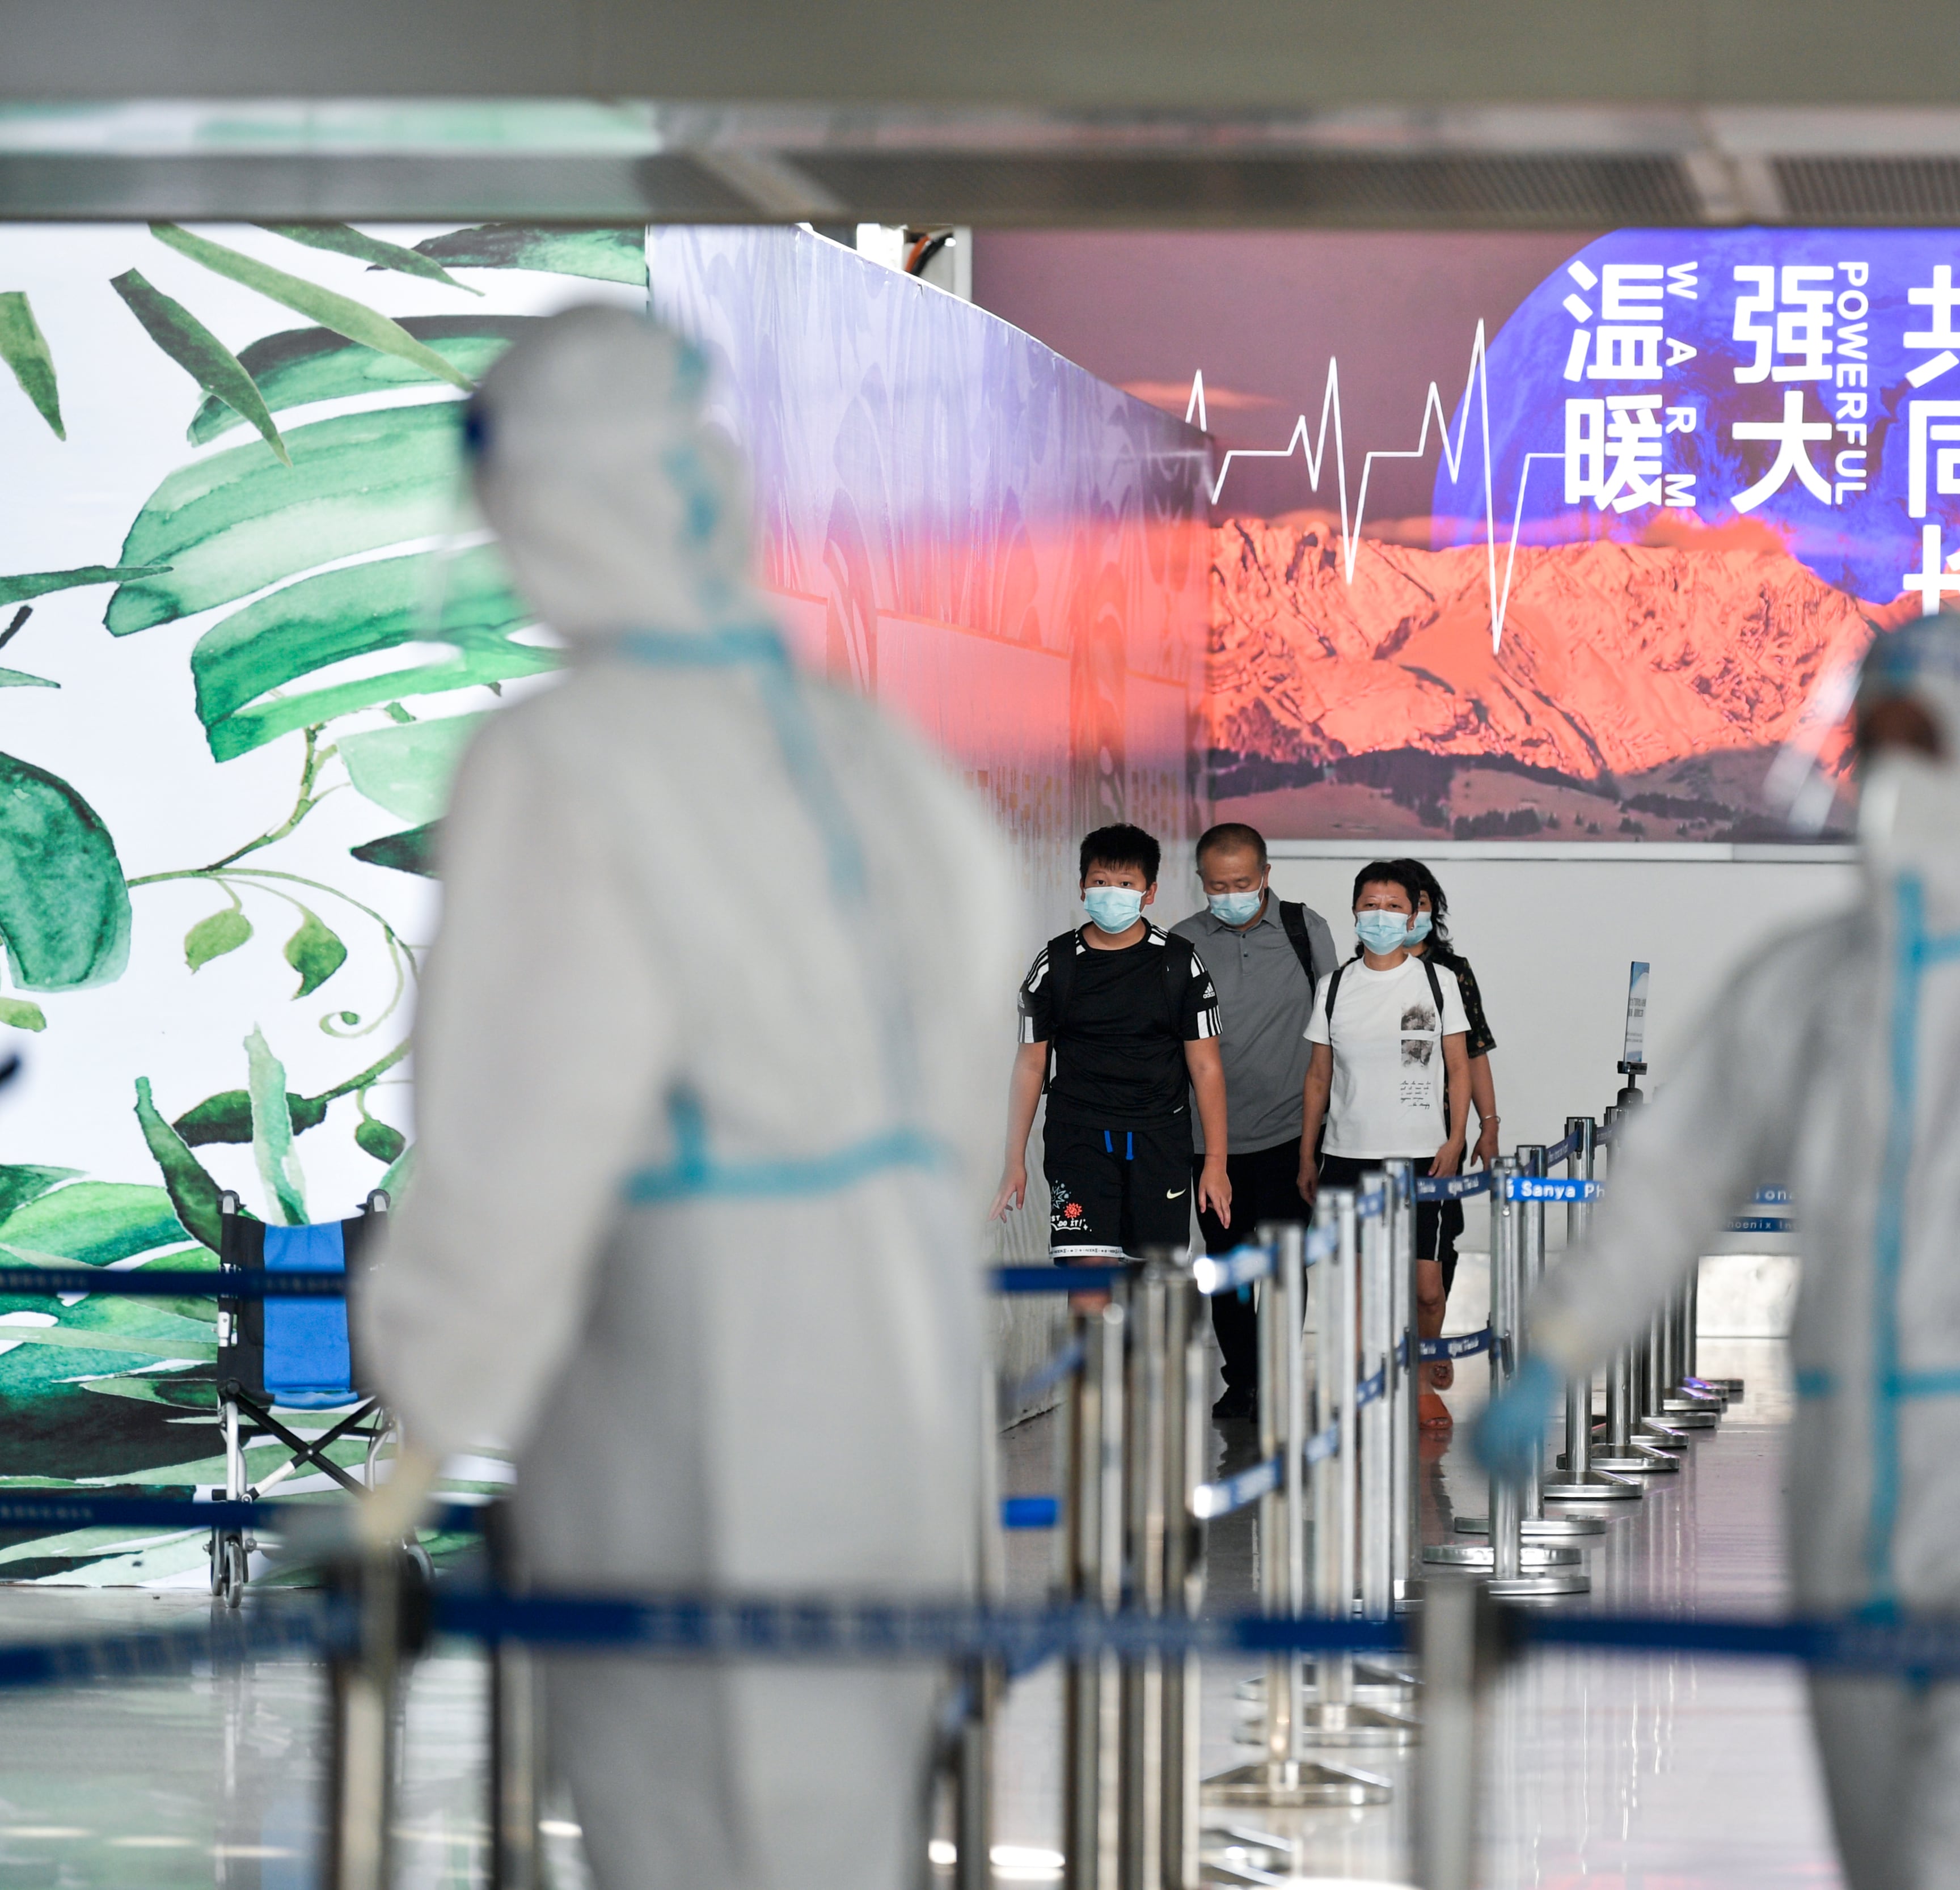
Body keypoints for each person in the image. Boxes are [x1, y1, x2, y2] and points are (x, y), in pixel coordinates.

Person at [348, 307, 1021, 1890]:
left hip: (700, 1350)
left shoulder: (571, 758)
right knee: (851, 1809)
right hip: (901, 1339)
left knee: (698, 1809)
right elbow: (968, 1046)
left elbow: (526, 1123)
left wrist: (419, 1438)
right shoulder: (861, 744)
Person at [1473, 611, 1960, 1890]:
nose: (1893, 775)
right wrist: (1556, 1351)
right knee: (1885, 1858)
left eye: (1921, 741)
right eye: (1872, 745)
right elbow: (1670, 1181)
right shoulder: (1804, 987)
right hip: (1845, 1486)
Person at [995, 825, 1230, 1261]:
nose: (1111, 893)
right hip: (1077, 1140)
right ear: (1082, 887)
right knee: (1088, 1278)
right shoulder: (1054, 964)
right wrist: (1014, 1160)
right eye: (1100, 881)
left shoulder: (1181, 963)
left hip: (1160, 1140)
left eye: (1126, 884)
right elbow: (1030, 1066)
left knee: (1154, 1292)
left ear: (1150, 892)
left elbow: (1206, 1067)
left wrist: (1216, 1161)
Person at [1170, 822, 1337, 1422]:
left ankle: (1277, 1375)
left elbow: (1332, 1028)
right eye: (1217, 885)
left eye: (1242, 882)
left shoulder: (1302, 929)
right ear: (1200, 883)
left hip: (1292, 1132)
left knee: (1288, 1262)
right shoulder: (1181, 943)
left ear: (1265, 875)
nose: (1230, 893)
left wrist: (1323, 1134)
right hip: (1210, 1140)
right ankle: (1242, 1379)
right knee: (1228, 1264)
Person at [1301, 861, 1472, 1428]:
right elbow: (1319, 1077)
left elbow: (1456, 1064)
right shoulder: (1335, 987)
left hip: (1422, 1155)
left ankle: (1423, 1375)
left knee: (1426, 1289)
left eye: (1394, 906)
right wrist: (1308, 1152)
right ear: (1354, 911)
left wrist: (1458, 1135)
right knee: (1352, 1292)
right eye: (1370, 904)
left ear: (1414, 914)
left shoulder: (1435, 981)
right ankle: (1361, 1393)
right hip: (1348, 1155)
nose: (1381, 915)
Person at [1393, 859, 1500, 1413]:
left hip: (1441, 1136)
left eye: (1420, 904)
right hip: (1376, 1138)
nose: (1408, 915)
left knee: (1437, 1246)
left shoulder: (1452, 971)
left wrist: (1487, 1126)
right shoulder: (1356, 974)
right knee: (1388, 1253)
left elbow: (1474, 1053)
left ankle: (1430, 1341)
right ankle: (1403, 1353)